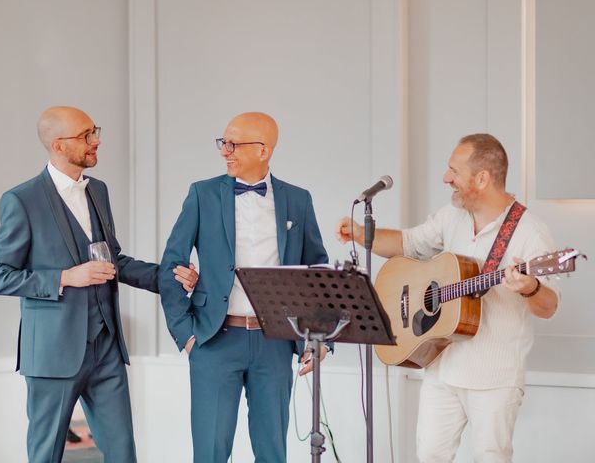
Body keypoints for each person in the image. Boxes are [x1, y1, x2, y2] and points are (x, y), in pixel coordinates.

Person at [0, 106, 198, 463]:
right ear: (58, 145)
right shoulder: (21, 200)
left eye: (94, 131)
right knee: (46, 455)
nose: (96, 141)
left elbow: (113, 262)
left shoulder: (97, 190)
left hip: (106, 349)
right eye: (86, 136)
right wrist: (66, 278)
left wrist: (171, 277)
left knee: (122, 453)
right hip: (53, 355)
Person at [337, 134, 559, 463]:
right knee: (429, 456)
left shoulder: (530, 231)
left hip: (494, 376)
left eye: (454, 171)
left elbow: (550, 306)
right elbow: (406, 244)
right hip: (441, 365)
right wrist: (361, 234)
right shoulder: (450, 216)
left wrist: (531, 288)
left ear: (482, 178)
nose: (446, 178)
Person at [159, 112, 329, 462]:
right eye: (224, 143)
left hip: (276, 343)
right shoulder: (201, 194)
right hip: (214, 340)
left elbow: (317, 274)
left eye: (234, 144)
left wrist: (319, 337)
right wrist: (185, 334)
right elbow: (171, 265)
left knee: (272, 453)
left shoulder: (299, 200)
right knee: (210, 452)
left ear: (264, 150)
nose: (225, 151)